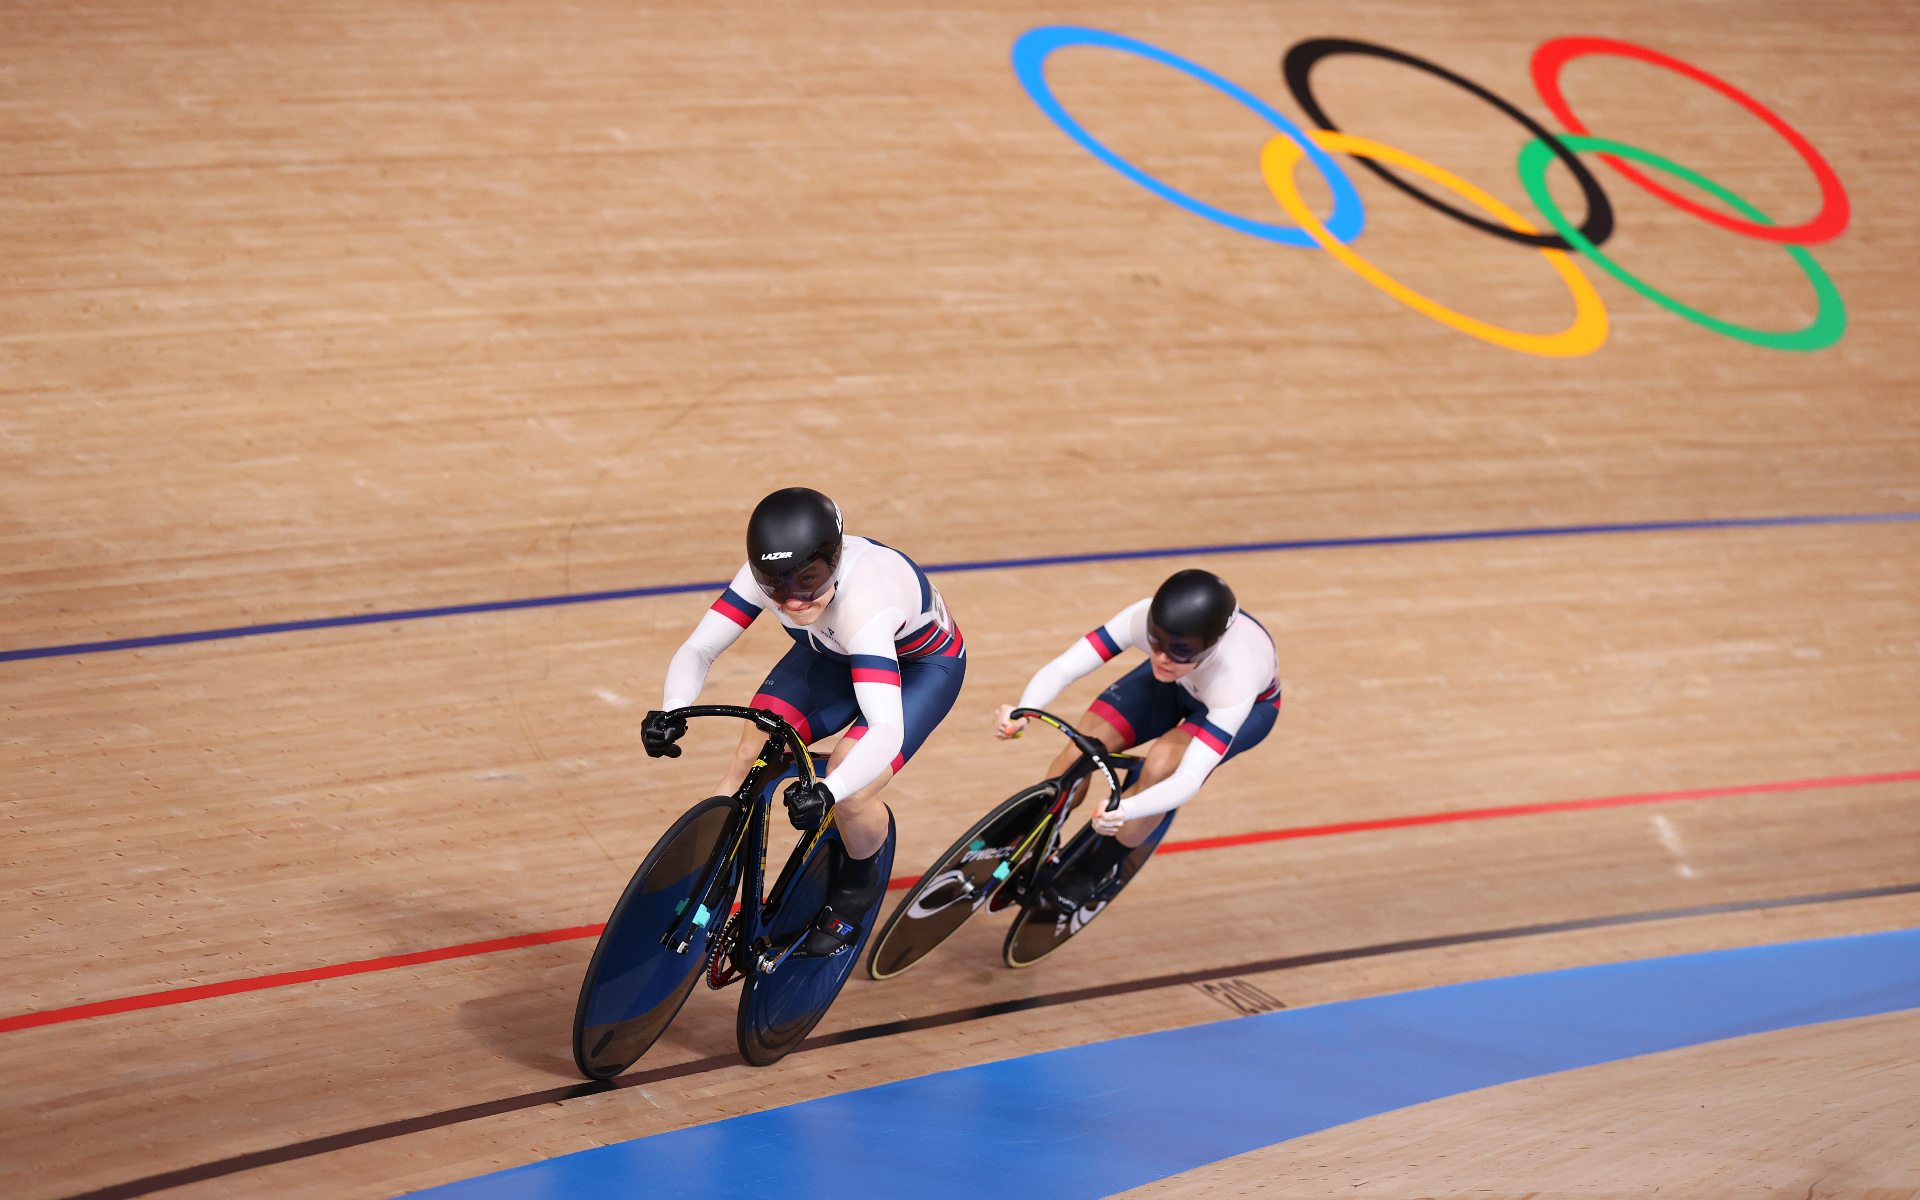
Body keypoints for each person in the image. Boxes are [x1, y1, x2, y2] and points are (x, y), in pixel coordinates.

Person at [641, 488, 965, 954]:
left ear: (835, 559)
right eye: (777, 587)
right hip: (833, 653)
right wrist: (672, 707)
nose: (794, 601)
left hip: (920, 668)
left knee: (852, 789)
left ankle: (859, 881)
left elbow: (886, 729)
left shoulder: (866, 603)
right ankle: (706, 874)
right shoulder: (763, 578)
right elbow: (700, 647)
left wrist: (830, 791)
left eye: (809, 580)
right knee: (751, 752)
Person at [992, 568, 1280, 912]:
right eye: (1155, 641)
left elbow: (1189, 778)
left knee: (1161, 766)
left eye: (1180, 650)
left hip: (1245, 707)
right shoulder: (1145, 621)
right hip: (1179, 682)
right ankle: (1042, 831)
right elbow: (1066, 667)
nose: (1161, 657)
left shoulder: (1237, 678)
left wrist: (1127, 810)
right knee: (1081, 748)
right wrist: (1025, 710)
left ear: (1211, 646)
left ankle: (1096, 868)